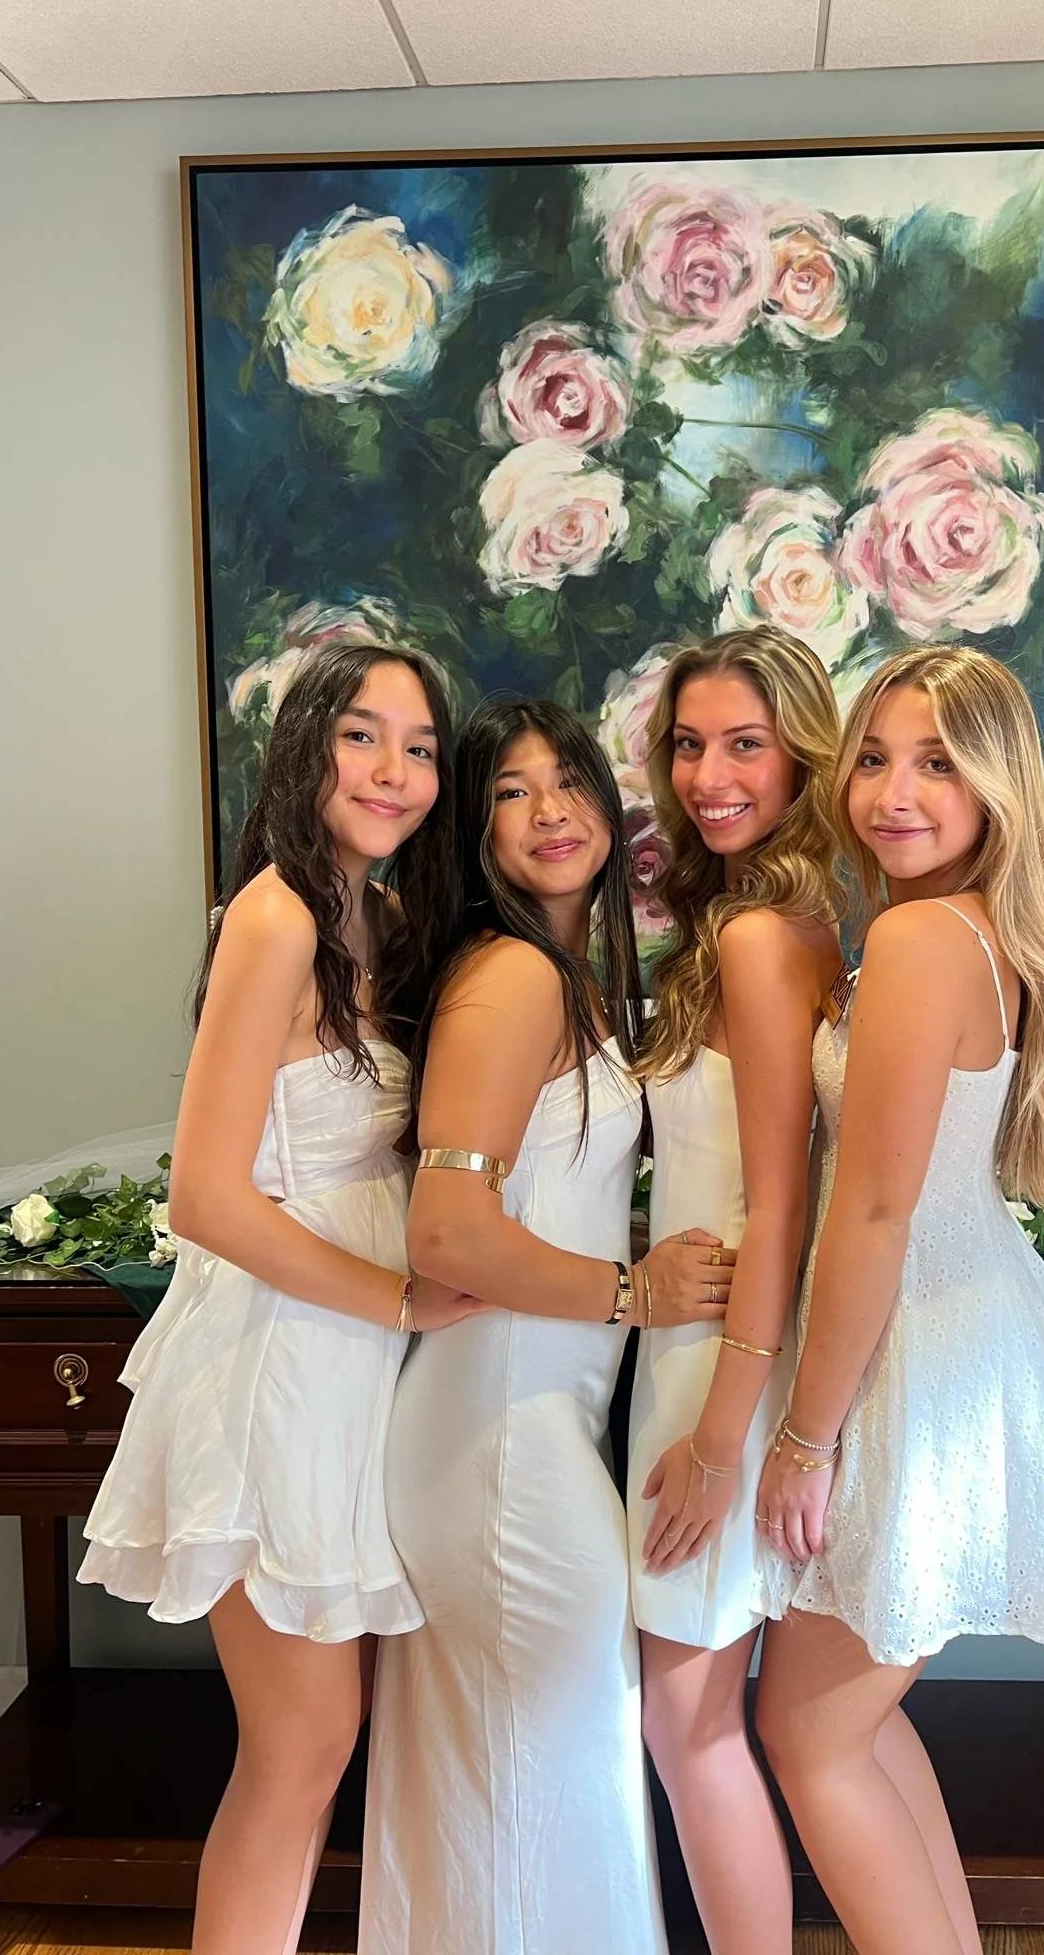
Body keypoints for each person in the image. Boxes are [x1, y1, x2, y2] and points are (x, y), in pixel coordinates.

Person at [79, 643, 470, 1955]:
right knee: (302, 1747)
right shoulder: (275, 916)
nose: (395, 771)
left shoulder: (383, 918)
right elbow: (206, 1196)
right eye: (366, 737)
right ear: (308, 747)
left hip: (349, 1370)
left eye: (419, 747)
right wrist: (401, 1302)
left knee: (325, 1745)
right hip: (280, 1363)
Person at [754, 644, 1044, 1955]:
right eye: (873, 758)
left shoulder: (920, 937)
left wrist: (804, 1437)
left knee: (807, 1730)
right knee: (850, 1719)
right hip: (964, 1336)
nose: (893, 792)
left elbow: (871, 1212)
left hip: (930, 1350)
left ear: (996, 787)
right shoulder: (974, 932)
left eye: (936, 763)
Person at [359, 698, 732, 1955]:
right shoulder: (513, 976)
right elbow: (447, 1232)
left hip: (520, 1426)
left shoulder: (565, 979)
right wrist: (636, 1293)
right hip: (499, 1449)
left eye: (567, 779)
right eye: (510, 792)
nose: (551, 810)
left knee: (511, 1783)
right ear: (474, 829)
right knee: (553, 1770)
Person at [627, 629, 843, 1955]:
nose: (708, 773)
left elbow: (782, 1203)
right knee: (697, 1721)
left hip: (726, 1362)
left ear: (800, 757)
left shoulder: (764, 939)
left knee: (691, 1722)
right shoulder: (773, 920)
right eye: (689, 744)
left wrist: (720, 1438)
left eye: (743, 744)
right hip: (710, 1349)